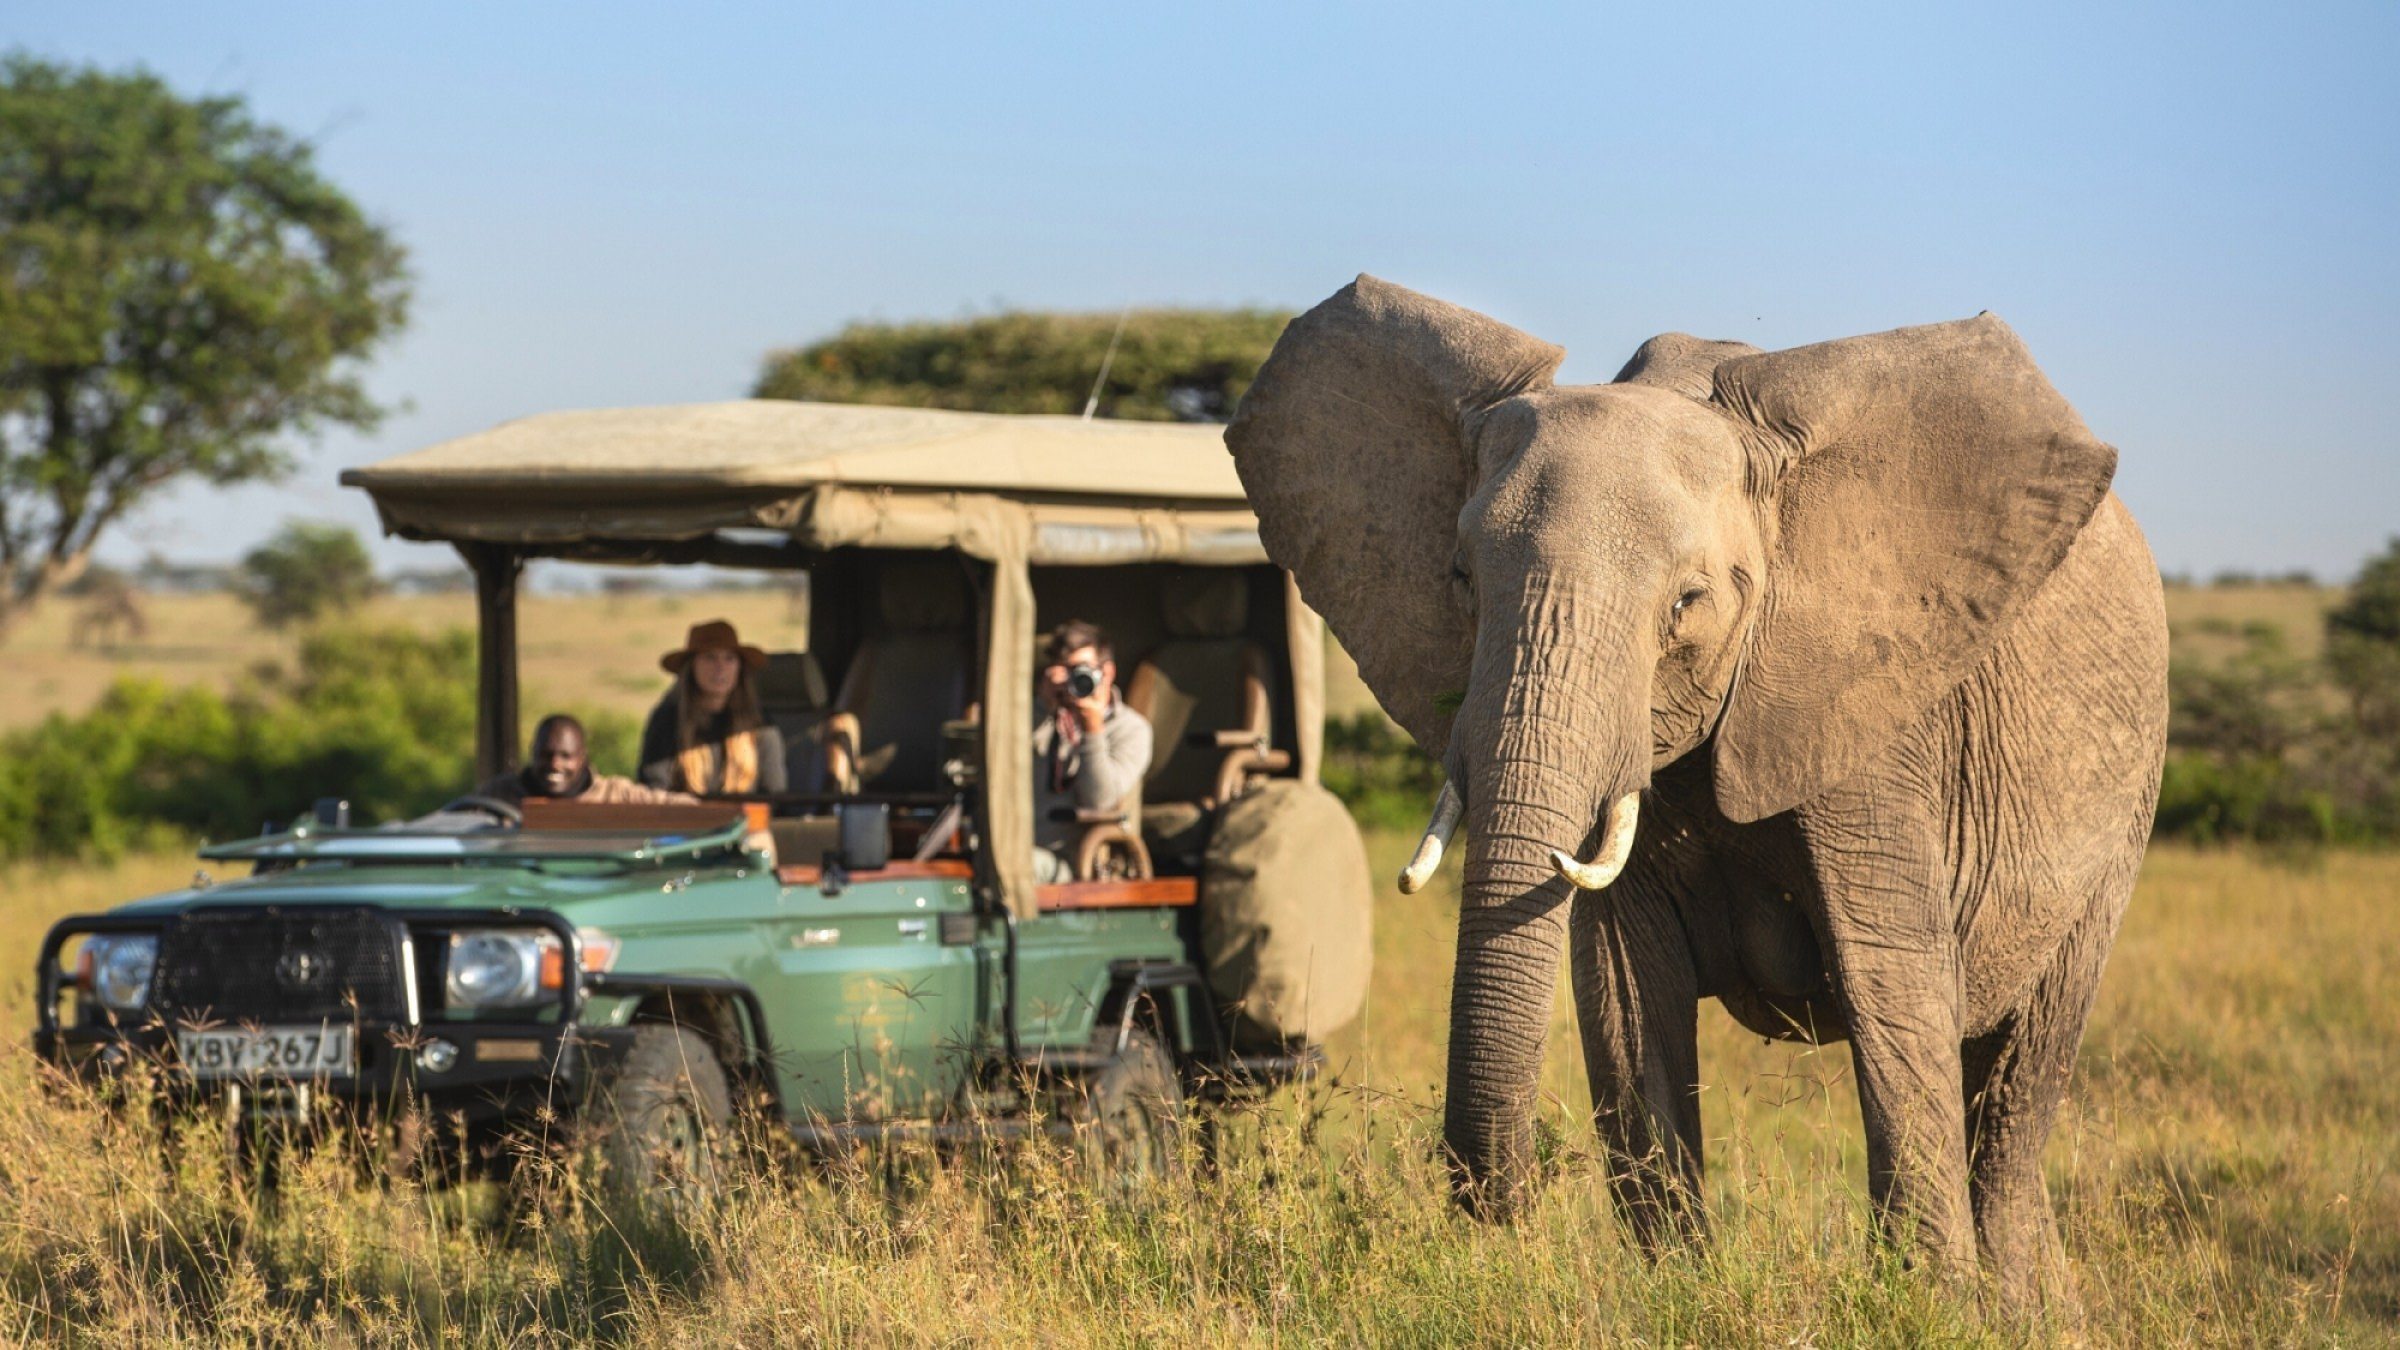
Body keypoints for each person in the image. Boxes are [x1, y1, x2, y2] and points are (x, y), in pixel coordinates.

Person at [1031, 619, 1152, 883]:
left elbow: (1100, 800)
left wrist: (1092, 729)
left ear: (1107, 673)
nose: (1073, 680)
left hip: (1086, 864)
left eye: (1079, 670)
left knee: (1019, 865)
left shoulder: (1132, 729)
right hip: (1025, 849)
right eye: (1063, 671)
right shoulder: (1040, 718)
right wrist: (1042, 707)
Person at [640, 619, 790, 795]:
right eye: (709, 657)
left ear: (739, 668)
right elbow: (655, 790)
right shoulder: (667, 720)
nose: (720, 668)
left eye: (729, 658)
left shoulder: (761, 724)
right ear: (691, 667)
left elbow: (775, 792)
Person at [475, 714, 697, 806]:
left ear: (583, 758)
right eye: (546, 754)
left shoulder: (614, 795)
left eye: (566, 756)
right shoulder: (499, 795)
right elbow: (448, 824)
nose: (555, 764)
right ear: (532, 752)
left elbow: (682, 808)